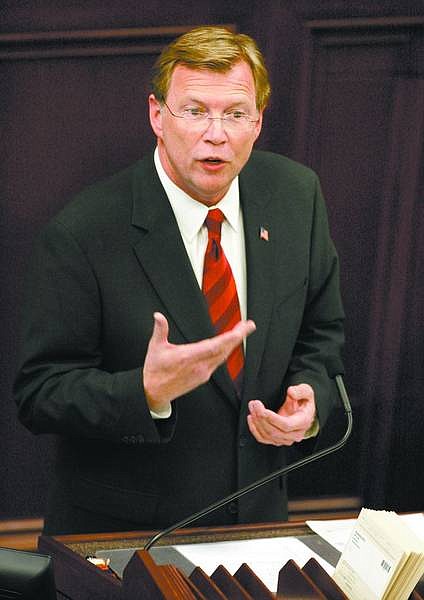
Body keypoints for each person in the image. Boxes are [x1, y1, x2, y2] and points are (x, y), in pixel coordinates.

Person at [14, 26, 345, 535]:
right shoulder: (83, 231)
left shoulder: (297, 197)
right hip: (129, 538)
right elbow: (40, 392)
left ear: (258, 122)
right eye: (194, 112)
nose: (216, 134)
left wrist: (311, 397)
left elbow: (322, 333)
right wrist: (144, 391)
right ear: (157, 116)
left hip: (257, 527)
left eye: (235, 114)